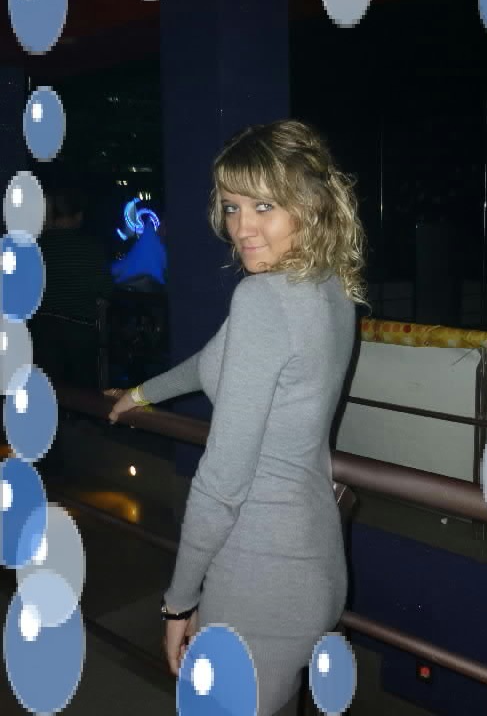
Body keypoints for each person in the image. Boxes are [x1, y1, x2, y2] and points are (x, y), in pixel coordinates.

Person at [105, 119, 368, 716]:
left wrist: (178, 600)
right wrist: (142, 393)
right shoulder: (329, 286)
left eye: (263, 206)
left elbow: (222, 481)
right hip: (314, 561)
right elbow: (214, 361)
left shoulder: (263, 300)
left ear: (310, 204)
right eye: (231, 206)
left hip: (259, 572)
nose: (242, 227)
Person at [31, 186, 113, 389]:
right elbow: (104, 288)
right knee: (84, 391)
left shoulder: (38, 246)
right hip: (79, 329)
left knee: (49, 388)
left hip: (42, 328)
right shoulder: (90, 247)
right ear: (79, 215)